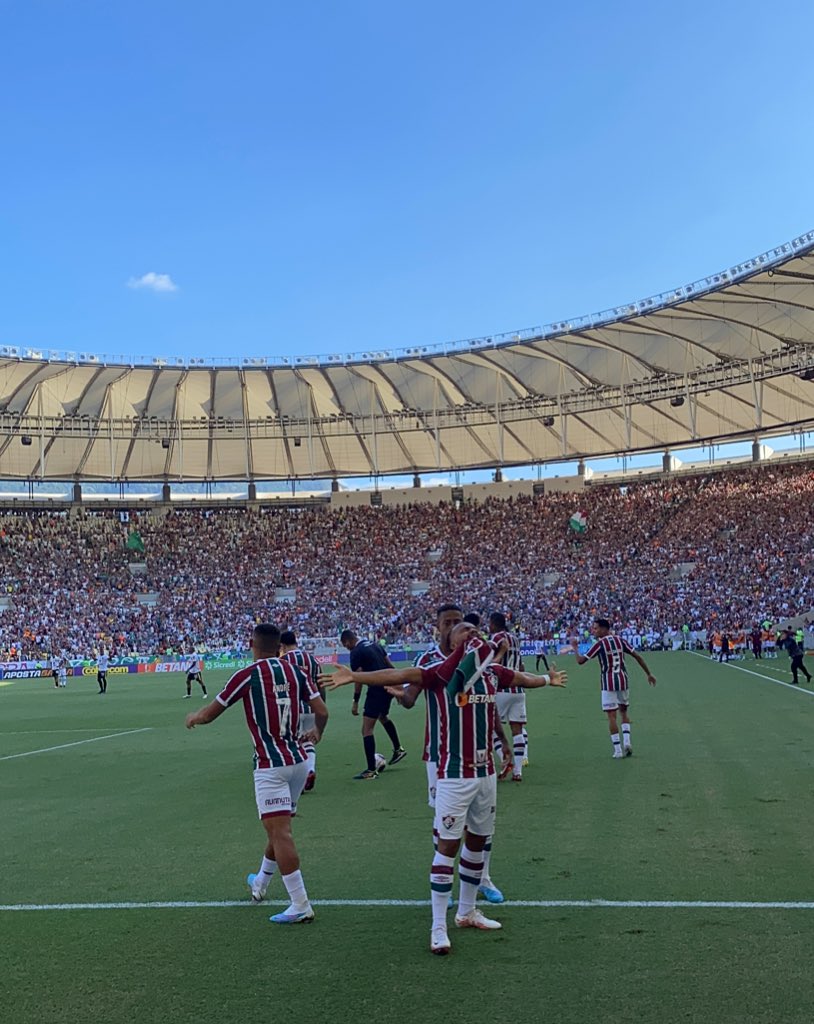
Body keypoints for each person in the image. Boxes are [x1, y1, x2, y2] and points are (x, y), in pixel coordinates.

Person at [328, 622, 567, 955]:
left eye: (474, 629)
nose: (470, 632)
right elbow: (395, 676)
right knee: (447, 847)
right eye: (461, 630)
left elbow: (521, 679)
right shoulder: (437, 673)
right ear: (449, 640)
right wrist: (356, 677)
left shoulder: (492, 672)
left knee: (478, 842)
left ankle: (467, 911)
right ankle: (438, 926)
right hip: (453, 775)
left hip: (486, 774)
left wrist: (546, 680)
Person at [185, 622, 328, 924]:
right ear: (278, 646)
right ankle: (260, 883)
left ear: (252, 644)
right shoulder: (296, 672)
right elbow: (323, 711)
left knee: (280, 832)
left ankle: (300, 903)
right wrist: (317, 732)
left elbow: (211, 713)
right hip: (300, 762)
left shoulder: (247, 675)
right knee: (278, 829)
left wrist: (194, 718)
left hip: (270, 765)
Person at [406, 603, 508, 904]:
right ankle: (444, 887)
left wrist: (500, 738)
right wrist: (402, 693)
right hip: (438, 753)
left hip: (475, 752)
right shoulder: (427, 660)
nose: (452, 626)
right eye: (447, 622)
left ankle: (483, 879)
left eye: (457, 621)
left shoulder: (476, 656)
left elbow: (487, 700)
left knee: (480, 823)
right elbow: (411, 699)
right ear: (437, 626)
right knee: (445, 822)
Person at [571, 617, 656, 758]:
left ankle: (617, 750)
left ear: (604, 629)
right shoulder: (620, 640)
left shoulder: (600, 644)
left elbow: (580, 661)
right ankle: (627, 742)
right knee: (624, 712)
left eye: (596, 628)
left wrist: (575, 648)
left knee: (611, 716)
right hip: (623, 680)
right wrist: (649, 673)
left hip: (608, 682)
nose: (594, 631)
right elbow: (637, 656)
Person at [339, 629, 406, 779]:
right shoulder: (374, 645)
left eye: (345, 645)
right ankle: (398, 748)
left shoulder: (356, 652)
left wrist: (355, 701)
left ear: (348, 641)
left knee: (366, 729)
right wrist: (397, 685)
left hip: (376, 689)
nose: (346, 648)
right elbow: (390, 665)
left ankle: (370, 770)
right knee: (383, 716)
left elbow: (358, 677)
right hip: (388, 686)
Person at [280, 630, 323, 791]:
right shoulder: (312, 660)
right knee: (308, 740)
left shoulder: (283, 660)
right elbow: (320, 686)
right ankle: (310, 770)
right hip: (312, 706)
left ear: (282, 645)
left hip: (291, 708)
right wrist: (321, 707)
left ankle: (296, 779)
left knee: (290, 743)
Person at [489, 612, 527, 781]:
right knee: (517, 730)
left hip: (501, 689)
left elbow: (490, 663)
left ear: (494, 624)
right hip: (518, 690)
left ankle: (505, 760)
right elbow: (521, 665)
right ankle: (518, 771)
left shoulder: (496, 638)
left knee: (491, 730)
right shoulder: (516, 639)